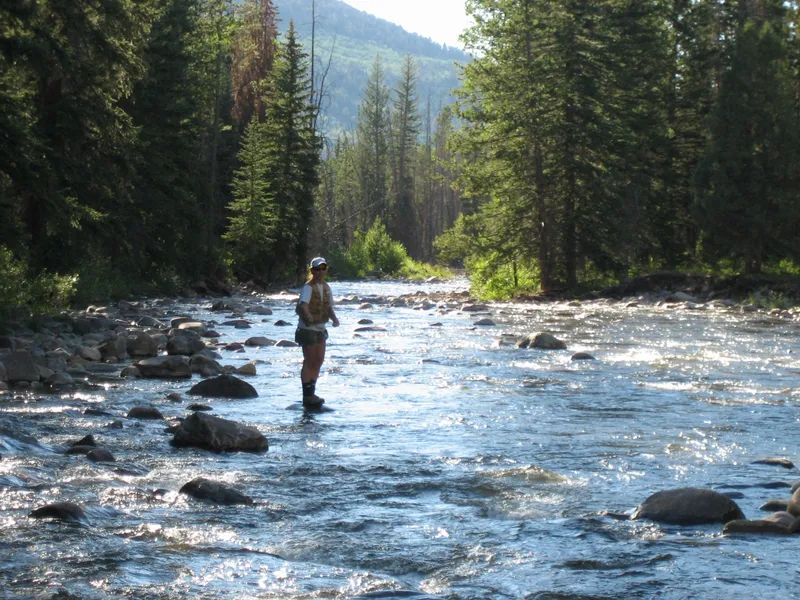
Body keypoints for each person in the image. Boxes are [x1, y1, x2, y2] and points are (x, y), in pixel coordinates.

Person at [295, 257, 339, 407]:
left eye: (323, 269)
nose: (320, 272)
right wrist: (308, 316)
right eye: (317, 269)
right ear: (312, 271)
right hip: (308, 329)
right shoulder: (308, 287)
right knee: (310, 361)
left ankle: (312, 392)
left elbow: (329, 308)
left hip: (321, 329)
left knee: (319, 360)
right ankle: (307, 396)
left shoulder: (326, 287)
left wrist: (334, 319)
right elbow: (303, 305)